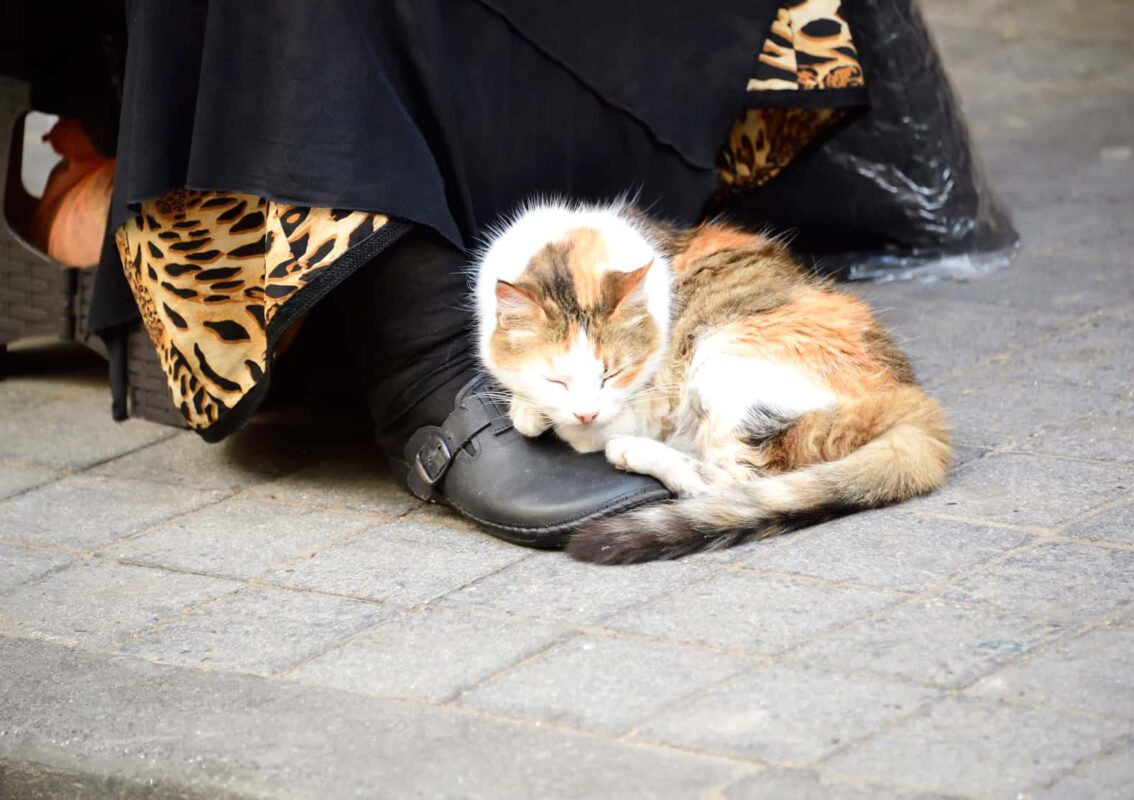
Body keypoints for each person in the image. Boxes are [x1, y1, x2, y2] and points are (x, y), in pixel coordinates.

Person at [79, 0, 1012, 547]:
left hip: (664, 292)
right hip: (593, 314)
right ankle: (415, 339)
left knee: (714, 380)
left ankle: (740, 461)